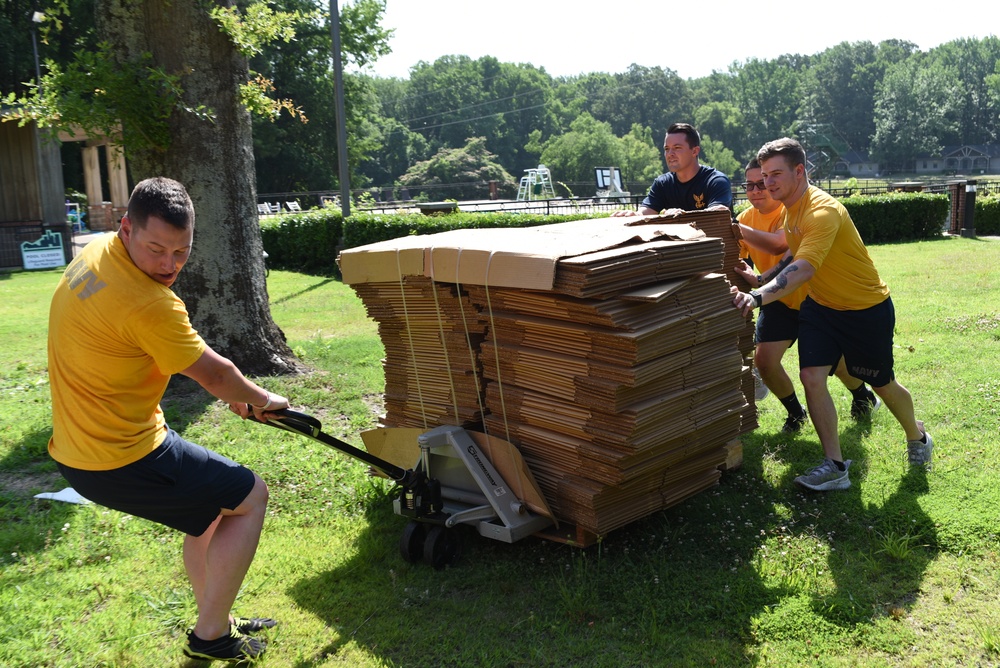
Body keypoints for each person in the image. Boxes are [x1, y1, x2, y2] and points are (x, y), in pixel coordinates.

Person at [47, 177, 289, 661]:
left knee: (207, 515)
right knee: (249, 495)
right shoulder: (147, 303)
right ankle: (211, 637)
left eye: (182, 251)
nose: (168, 265)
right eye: (156, 248)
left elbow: (197, 368)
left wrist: (235, 393)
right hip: (120, 455)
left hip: (83, 446)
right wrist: (261, 397)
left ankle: (214, 616)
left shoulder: (96, 255)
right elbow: (217, 375)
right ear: (126, 229)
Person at [732, 138, 932, 492]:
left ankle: (917, 437)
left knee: (882, 385)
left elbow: (805, 267)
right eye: (763, 176)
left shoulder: (822, 210)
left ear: (799, 171)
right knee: (811, 375)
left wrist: (758, 295)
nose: (767, 184)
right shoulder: (790, 208)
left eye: (775, 174)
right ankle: (835, 466)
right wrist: (762, 277)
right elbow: (793, 256)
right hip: (821, 308)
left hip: (865, 309)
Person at [734, 158, 881, 434]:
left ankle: (862, 394)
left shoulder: (789, 210)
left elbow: (784, 252)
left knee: (833, 363)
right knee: (764, 361)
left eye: (762, 182)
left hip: (813, 299)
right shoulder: (744, 219)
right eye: (750, 184)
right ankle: (795, 412)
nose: (756, 190)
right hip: (776, 300)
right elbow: (739, 261)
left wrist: (757, 281)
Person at [612, 122, 732, 217]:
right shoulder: (663, 184)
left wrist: (683, 216)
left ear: (695, 151)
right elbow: (645, 212)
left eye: (677, 148)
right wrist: (634, 215)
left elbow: (718, 215)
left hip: (716, 247)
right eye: (667, 149)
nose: (670, 154)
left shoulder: (716, 181)